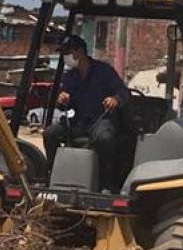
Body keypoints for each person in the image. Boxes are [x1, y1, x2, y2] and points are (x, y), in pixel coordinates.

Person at [43, 34, 127, 182]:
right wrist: (62, 99)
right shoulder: (70, 76)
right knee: (50, 133)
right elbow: (63, 102)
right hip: (78, 122)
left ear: (80, 52)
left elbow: (123, 92)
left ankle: (106, 181)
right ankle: (53, 172)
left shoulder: (104, 71)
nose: (65, 57)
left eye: (67, 53)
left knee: (105, 139)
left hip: (101, 120)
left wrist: (115, 99)